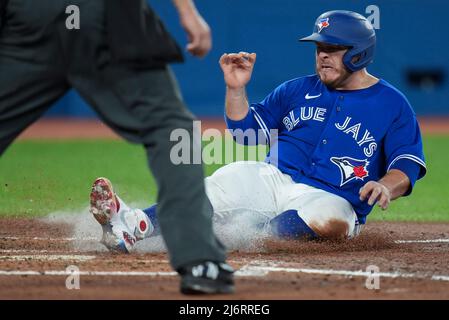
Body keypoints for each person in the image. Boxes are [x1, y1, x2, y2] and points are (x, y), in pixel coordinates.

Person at [90, 10, 426, 252]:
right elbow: (245, 132)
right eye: (319, 48)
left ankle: (244, 237)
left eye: (333, 50)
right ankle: (132, 225)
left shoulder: (392, 104)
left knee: (330, 219)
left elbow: (407, 164)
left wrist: (385, 185)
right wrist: (236, 90)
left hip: (333, 198)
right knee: (226, 179)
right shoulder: (296, 90)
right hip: (273, 179)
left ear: (359, 53)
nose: (322, 56)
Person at [0, 0, 233, 295]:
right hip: (105, 15)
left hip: (31, 16)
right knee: (174, 130)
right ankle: (200, 262)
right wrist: (187, 11)